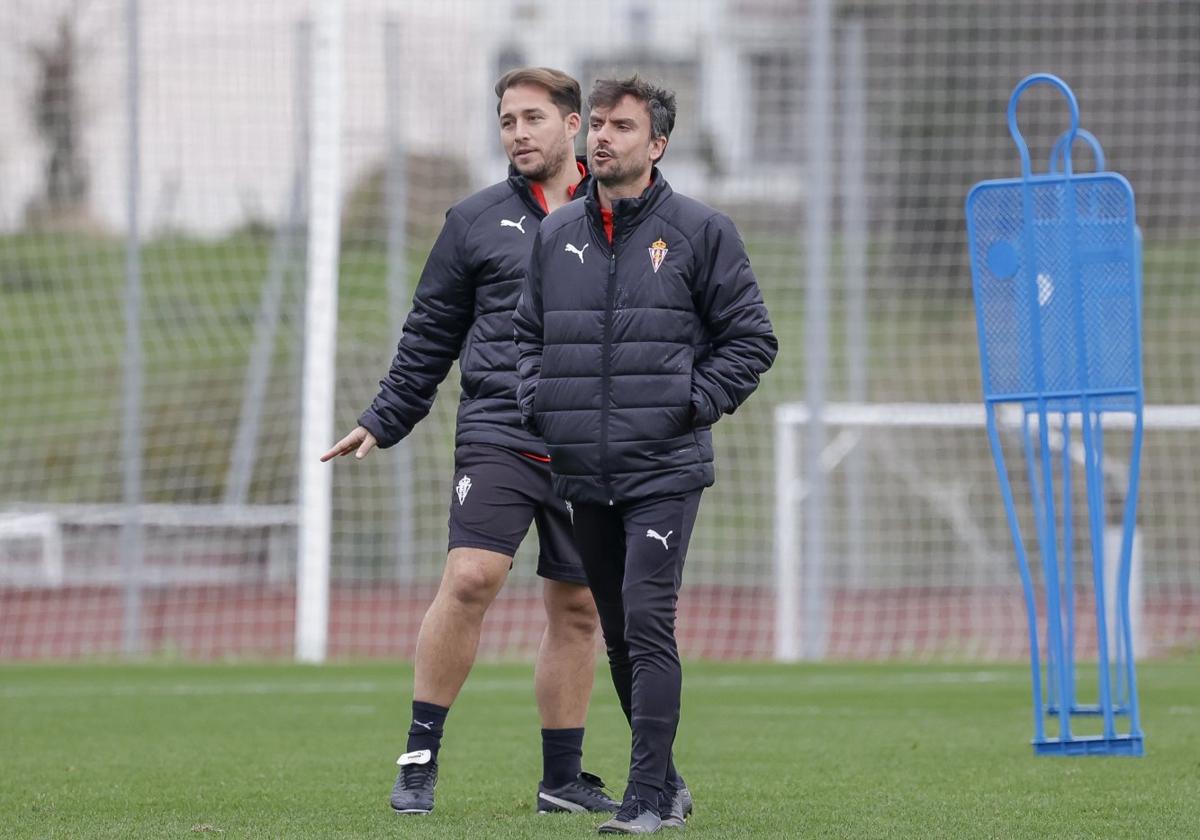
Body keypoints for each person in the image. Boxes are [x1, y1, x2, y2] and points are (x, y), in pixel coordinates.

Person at [322, 67, 618, 817]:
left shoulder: (632, 213)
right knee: (472, 576)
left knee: (580, 607)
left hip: (595, 440)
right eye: (507, 121)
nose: (518, 133)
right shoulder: (475, 221)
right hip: (501, 426)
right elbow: (431, 332)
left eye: (532, 118)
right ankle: (419, 757)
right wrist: (384, 416)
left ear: (573, 124)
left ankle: (562, 780)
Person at [514, 76, 777, 834]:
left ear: (655, 144)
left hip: (664, 468)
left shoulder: (701, 230)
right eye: (595, 125)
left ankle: (647, 798)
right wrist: (543, 403)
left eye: (621, 127)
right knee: (620, 633)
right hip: (582, 470)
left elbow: (752, 340)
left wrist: (685, 405)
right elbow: (526, 338)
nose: (602, 138)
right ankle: (666, 781)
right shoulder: (555, 233)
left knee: (648, 624)